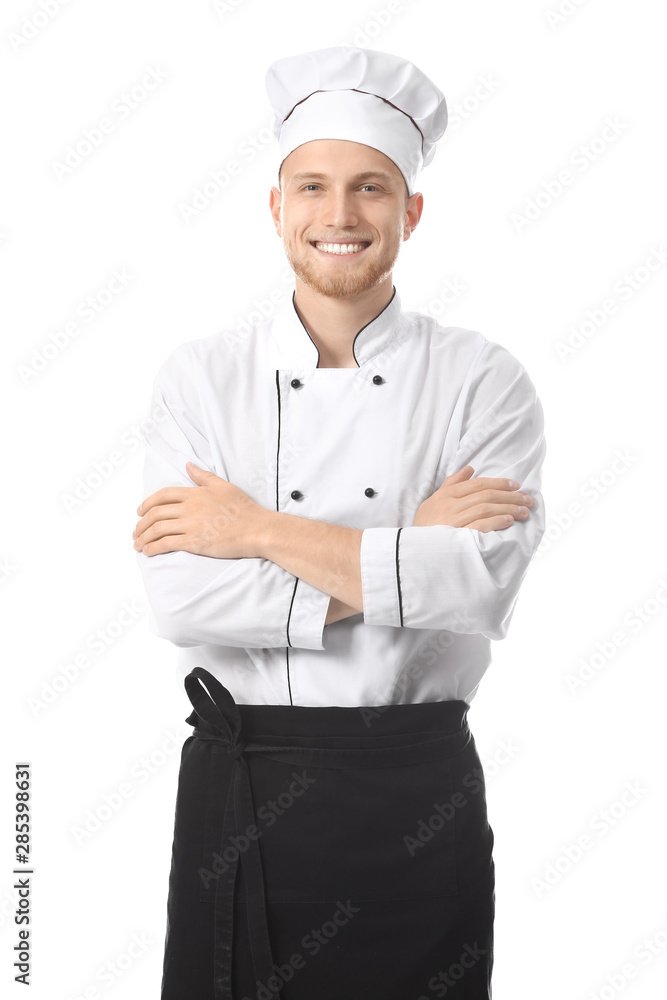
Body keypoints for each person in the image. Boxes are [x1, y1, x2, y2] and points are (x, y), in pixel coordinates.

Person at [133, 45, 546, 1000]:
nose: (340, 215)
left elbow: (479, 585)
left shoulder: (483, 379)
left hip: (417, 789)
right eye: (312, 186)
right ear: (276, 209)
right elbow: (182, 600)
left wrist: (253, 529)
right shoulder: (200, 379)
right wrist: (406, 558)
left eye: (370, 188)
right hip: (244, 791)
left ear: (410, 213)